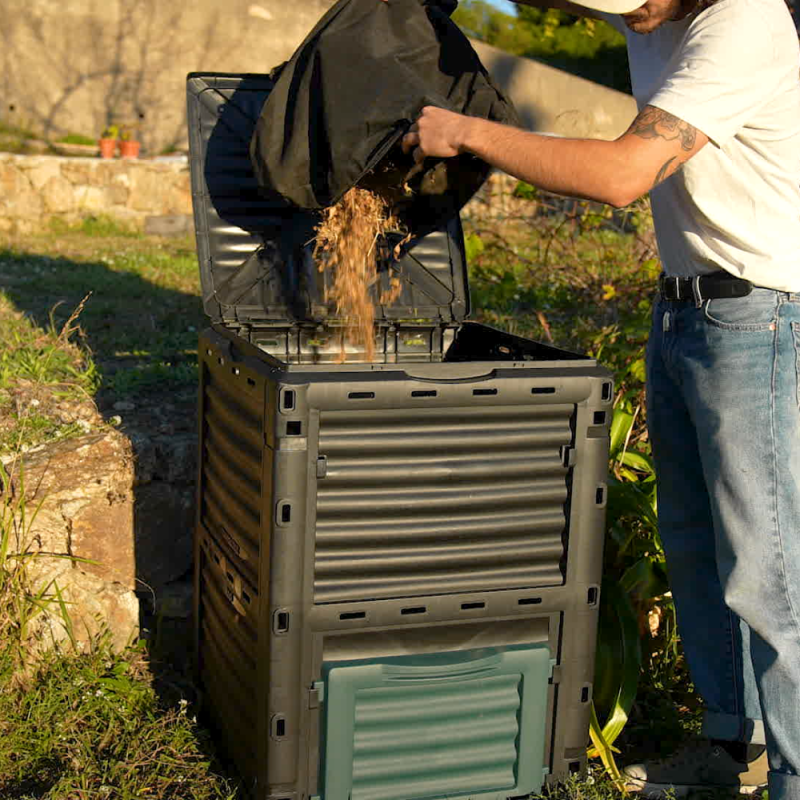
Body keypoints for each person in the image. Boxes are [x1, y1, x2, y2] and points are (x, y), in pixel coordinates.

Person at [379, 0, 800, 796]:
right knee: (696, 544)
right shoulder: (653, 17)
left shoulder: (743, 22)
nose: (622, 16)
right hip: (684, 310)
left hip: (762, 318)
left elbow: (620, 176)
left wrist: (468, 131)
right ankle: (727, 748)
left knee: (769, 573)